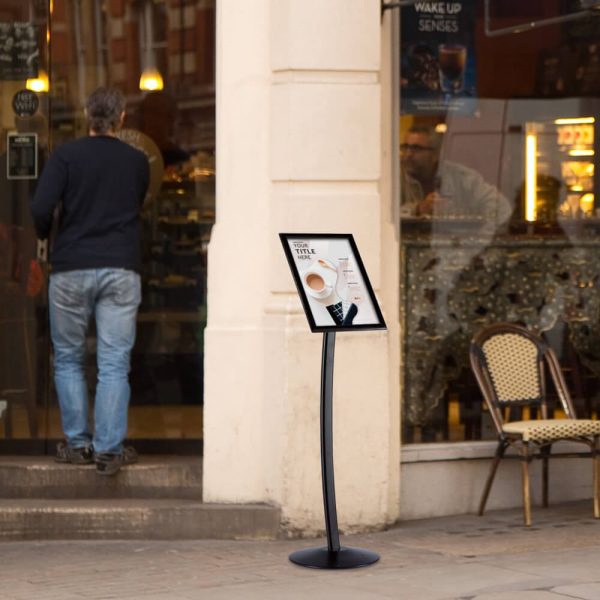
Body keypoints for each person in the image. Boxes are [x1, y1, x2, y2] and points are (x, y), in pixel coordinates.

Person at [30, 87, 150, 475]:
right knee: (114, 361)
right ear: (122, 118)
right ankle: (109, 450)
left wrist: (46, 233)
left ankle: (78, 443)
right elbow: (138, 203)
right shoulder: (136, 161)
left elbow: (39, 207)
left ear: (86, 116)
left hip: (71, 267)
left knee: (67, 358)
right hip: (120, 267)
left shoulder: (66, 156)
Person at [400, 124, 512, 227]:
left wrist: (468, 220)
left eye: (416, 149)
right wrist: (418, 209)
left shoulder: (461, 177)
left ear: (436, 153)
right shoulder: (392, 176)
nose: (408, 154)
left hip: (455, 244)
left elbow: (502, 208)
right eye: (405, 147)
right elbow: (384, 217)